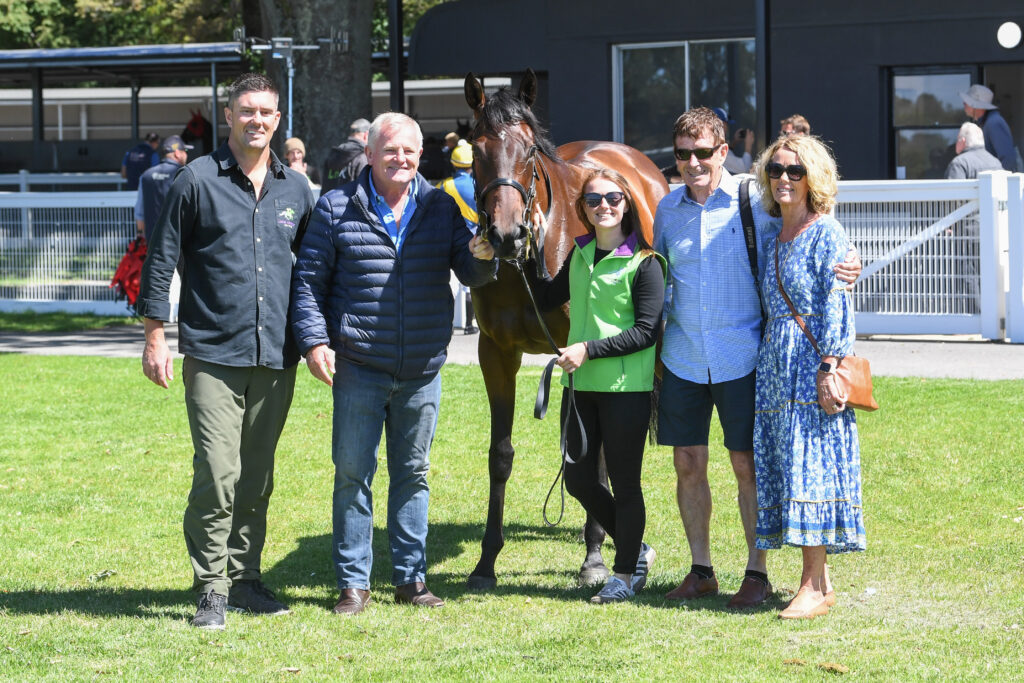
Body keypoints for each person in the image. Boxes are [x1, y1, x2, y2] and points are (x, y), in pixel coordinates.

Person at [289, 112, 497, 617]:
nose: (400, 159)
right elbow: (308, 283)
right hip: (358, 364)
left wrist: (485, 253)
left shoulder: (440, 206)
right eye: (390, 151)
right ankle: (353, 585)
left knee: (412, 475)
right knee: (352, 475)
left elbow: (470, 270)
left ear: (420, 154)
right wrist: (315, 342)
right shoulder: (336, 207)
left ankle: (410, 578)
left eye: (409, 150)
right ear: (371, 154)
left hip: (422, 368)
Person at [653, 107, 860, 609]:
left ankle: (757, 572)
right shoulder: (667, 210)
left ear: (723, 151)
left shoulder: (754, 203)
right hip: (683, 355)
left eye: (704, 151)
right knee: (687, 462)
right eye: (683, 154)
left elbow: (810, 235)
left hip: (745, 357)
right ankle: (702, 569)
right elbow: (656, 277)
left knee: (747, 464)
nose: (693, 162)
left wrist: (848, 262)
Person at [136, 73, 314, 631]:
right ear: (228, 113)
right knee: (218, 472)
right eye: (246, 110)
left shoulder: (297, 189)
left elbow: (310, 272)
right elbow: (160, 259)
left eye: (266, 111)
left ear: (278, 119)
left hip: (276, 354)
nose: (256, 119)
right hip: (213, 351)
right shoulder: (195, 180)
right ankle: (211, 586)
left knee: (257, 475)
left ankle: (245, 578)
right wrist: (154, 336)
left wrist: (316, 340)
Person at [531, 168, 664, 604]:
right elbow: (546, 297)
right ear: (583, 210)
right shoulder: (580, 252)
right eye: (593, 200)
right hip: (580, 388)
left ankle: (624, 574)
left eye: (612, 198)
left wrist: (587, 348)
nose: (603, 206)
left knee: (625, 484)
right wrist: (528, 248)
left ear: (626, 203)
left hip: (626, 390)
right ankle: (635, 545)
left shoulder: (646, 263)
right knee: (577, 480)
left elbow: (646, 332)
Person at [752, 134, 865, 619]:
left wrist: (828, 368)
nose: (783, 179)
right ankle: (819, 582)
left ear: (812, 178)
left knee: (809, 468)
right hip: (776, 368)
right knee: (788, 467)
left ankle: (814, 587)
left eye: (794, 172)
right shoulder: (774, 233)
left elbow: (838, 308)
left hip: (811, 367)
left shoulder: (827, 234)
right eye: (776, 170)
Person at [436, 140, 479, 333]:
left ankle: (450, 325)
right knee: (469, 286)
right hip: (476, 240)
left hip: (449, 239)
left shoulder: (444, 185)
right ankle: (470, 325)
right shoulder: (480, 186)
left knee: (451, 285)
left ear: (453, 163)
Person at [135, 134, 193, 242]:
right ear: (177, 153)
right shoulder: (185, 175)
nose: (186, 154)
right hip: (179, 242)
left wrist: (140, 237)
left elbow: (139, 211)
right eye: (184, 150)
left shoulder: (146, 175)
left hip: (152, 241)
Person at [960, 84, 1020, 172]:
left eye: (968, 101)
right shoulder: (988, 122)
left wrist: (999, 182)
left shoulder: (994, 123)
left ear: (977, 106)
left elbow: (1008, 159)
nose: (964, 103)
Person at [321, 118, 370, 195]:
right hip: (348, 206)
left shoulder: (334, 154)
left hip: (327, 204)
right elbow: (364, 192)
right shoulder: (363, 157)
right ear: (366, 135)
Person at [712, 107, 755, 174]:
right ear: (720, 124)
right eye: (726, 124)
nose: (727, 128)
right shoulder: (717, 150)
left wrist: (734, 143)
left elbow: (728, 154)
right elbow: (745, 169)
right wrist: (748, 146)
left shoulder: (711, 144)